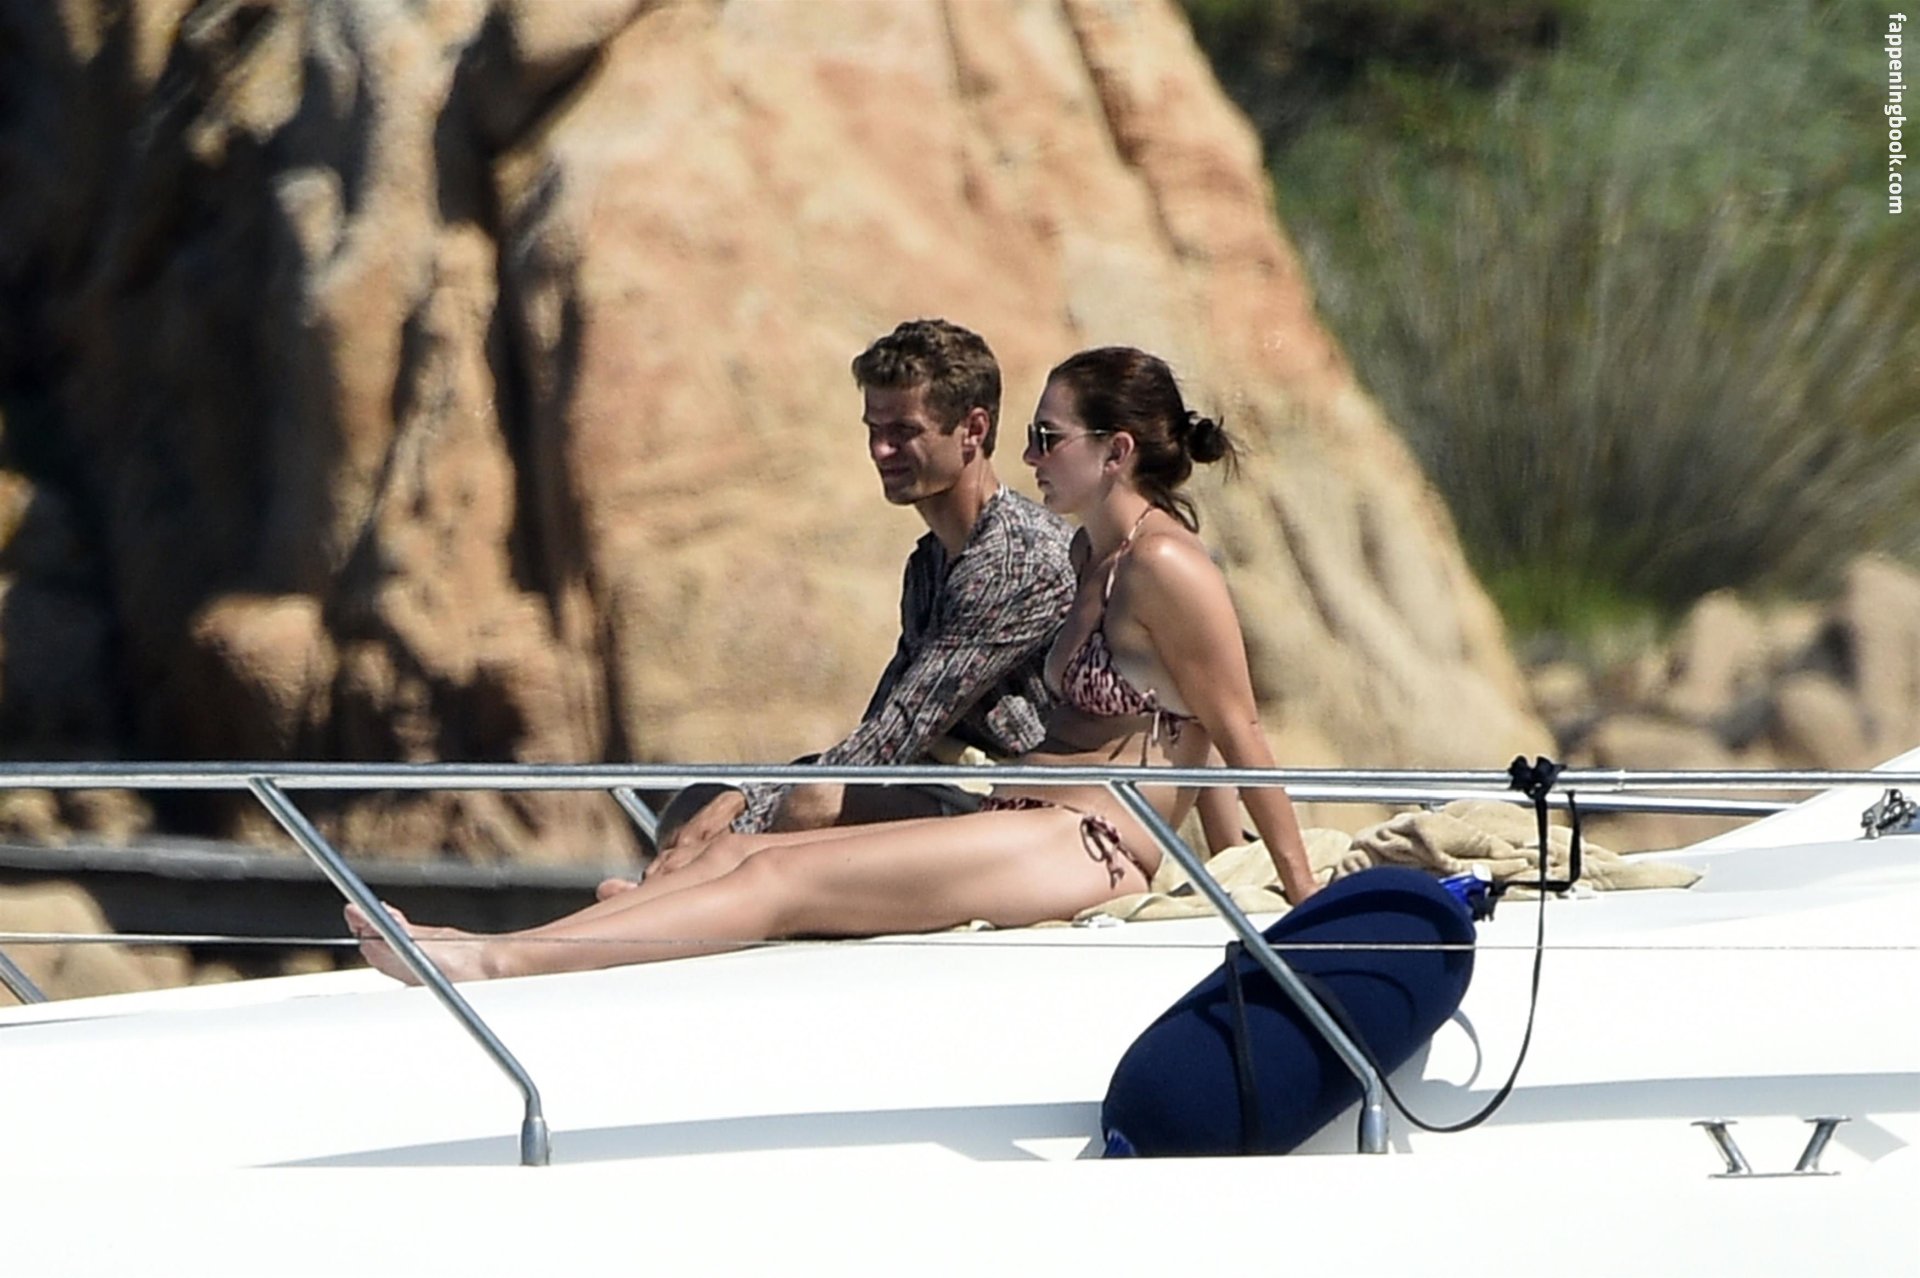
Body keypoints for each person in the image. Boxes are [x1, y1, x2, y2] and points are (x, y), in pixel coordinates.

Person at [349, 346, 1318, 981]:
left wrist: (1296, 898)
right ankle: (514, 943)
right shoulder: (1087, 555)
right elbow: (1191, 727)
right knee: (740, 853)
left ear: (1115, 452)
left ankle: (492, 967)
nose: (1031, 457)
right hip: (1023, 818)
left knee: (780, 885)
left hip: (1089, 848)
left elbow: (1235, 731)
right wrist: (1223, 858)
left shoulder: (1166, 566)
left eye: (1046, 438)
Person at [644, 319, 1076, 870]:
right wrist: (746, 794)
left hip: (1019, 803)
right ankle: (682, 885)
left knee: (813, 803)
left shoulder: (1016, 560)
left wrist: (743, 818)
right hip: (944, 781)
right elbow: (885, 719)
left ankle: (682, 886)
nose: (880, 449)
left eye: (903, 431)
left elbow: (899, 733)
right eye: (874, 429)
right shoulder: (930, 561)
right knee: (698, 801)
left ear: (973, 429)